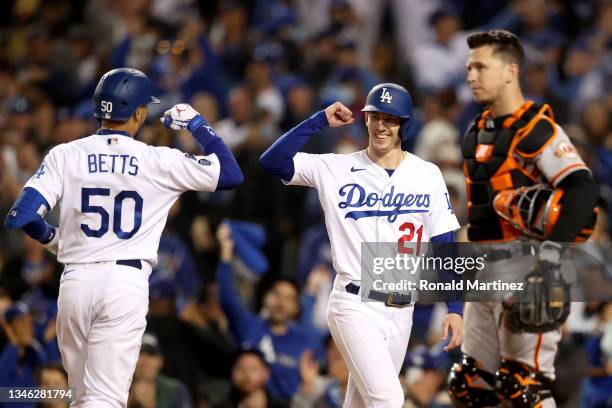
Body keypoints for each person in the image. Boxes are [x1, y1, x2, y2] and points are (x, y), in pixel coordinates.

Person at [3, 67, 244, 407]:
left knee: (79, 397)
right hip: (123, 282)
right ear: (140, 113)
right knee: (104, 399)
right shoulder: (159, 159)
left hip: (74, 282)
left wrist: (52, 239)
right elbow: (231, 173)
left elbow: (21, 216)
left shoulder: (65, 154)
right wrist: (196, 125)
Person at [259, 82, 464, 407]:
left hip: (402, 309)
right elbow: (272, 162)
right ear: (364, 119)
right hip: (354, 303)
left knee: (361, 403)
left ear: (403, 124)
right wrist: (319, 120)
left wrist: (455, 308)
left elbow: (445, 243)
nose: (382, 125)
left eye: (391, 118)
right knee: (389, 400)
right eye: (375, 117)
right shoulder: (336, 167)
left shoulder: (427, 174)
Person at [448, 30, 599, 408]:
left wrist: (551, 257)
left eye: (481, 66)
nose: (471, 75)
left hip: (528, 267)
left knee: (523, 390)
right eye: (469, 67)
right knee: (472, 387)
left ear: (510, 72)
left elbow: (581, 189)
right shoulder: (476, 130)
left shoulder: (536, 127)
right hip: (484, 268)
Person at [215, 223, 321, 402]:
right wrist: (226, 255)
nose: (280, 302)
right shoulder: (248, 326)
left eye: (288, 298)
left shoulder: (307, 339)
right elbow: (228, 299)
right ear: (265, 298)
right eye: (276, 294)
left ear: (296, 307)